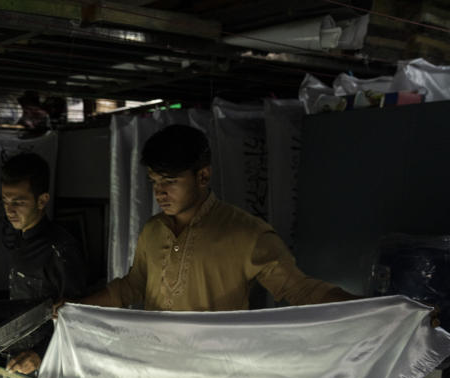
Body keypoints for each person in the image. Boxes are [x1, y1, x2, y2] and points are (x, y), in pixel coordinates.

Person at [77, 124, 358, 312]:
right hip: (157, 365)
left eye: (170, 181)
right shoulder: (153, 230)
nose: (159, 192)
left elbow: (301, 291)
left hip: (215, 374)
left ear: (203, 176)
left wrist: (373, 311)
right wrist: (76, 307)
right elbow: (132, 286)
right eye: (153, 181)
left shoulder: (246, 233)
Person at [1, 152, 88, 374]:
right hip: (17, 356)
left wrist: (40, 353)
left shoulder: (60, 248)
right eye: (6, 201)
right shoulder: (19, 237)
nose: (10, 210)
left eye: (19, 202)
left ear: (42, 200)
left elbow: (77, 316)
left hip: (48, 365)